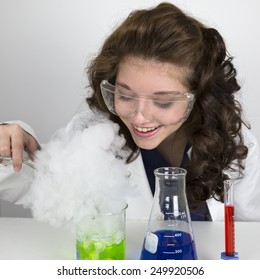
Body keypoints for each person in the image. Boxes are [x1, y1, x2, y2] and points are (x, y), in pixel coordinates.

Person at [0, 2, 260, 221]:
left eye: (164, 102)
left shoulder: (236, 147)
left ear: (200, 97)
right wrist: (9, 144)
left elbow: (250, 237)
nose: (138, 117)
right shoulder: (95, 133)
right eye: (125, 95)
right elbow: (41, 183)